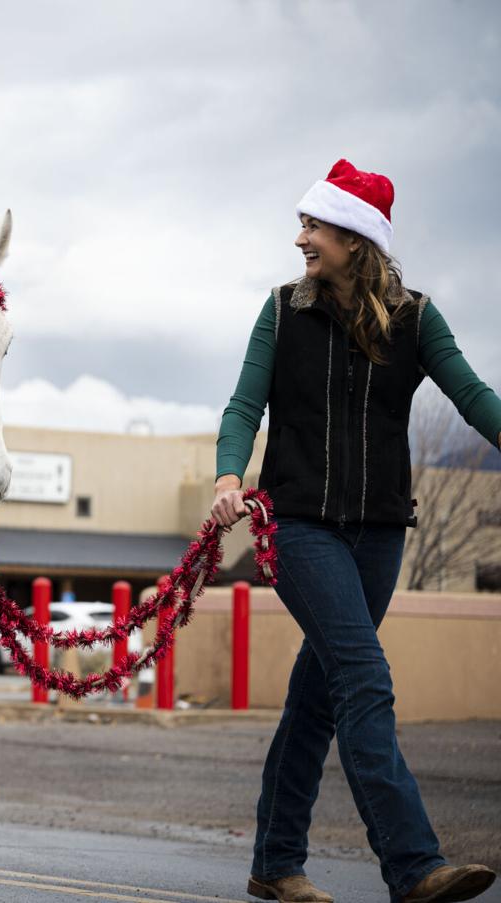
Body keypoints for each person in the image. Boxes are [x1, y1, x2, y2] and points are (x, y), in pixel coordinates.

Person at [212, 159, 501, 903]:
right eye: (304, 224)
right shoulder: (282, 311)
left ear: (354, 237)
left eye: (314, 226)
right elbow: (245, 405)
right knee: (365, 676)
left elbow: (470, 395)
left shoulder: (416, 317)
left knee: (319, 693)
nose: (300, 237)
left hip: (379, 533)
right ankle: (414, 865)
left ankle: (275, 862)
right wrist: (227, 476)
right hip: (299, 526)